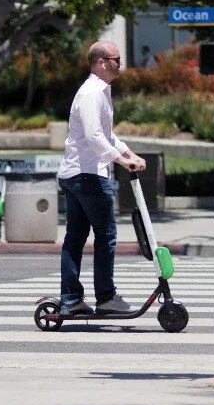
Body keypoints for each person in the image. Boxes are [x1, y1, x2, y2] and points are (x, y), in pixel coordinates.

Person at [56, 40, 147, 316]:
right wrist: (121, 161)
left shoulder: (99, 91)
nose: (121, 63)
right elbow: (95, 137)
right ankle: (105, 297)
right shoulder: (92, 93)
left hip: (78, 173)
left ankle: (71, 299)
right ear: (100, 62)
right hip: (88, 175)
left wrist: (129, 153)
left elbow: (106, 135)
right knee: (106, 236)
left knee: (75, 238)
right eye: (116, 59)